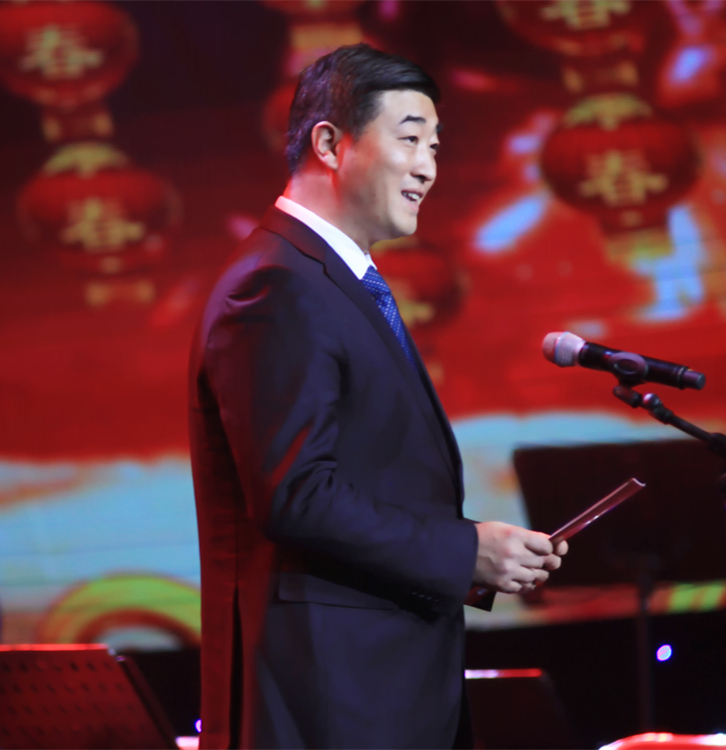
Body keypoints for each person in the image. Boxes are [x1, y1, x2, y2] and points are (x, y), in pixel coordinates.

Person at [188, 43, 567, 750]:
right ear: (330, 144)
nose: (427, 167)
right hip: (330, 695)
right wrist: (463, 551)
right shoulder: (276, 284)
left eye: (435, 146)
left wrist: (475, 553)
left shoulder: (331, 279)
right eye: (410, 139)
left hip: (376, 686)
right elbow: (296, 494)